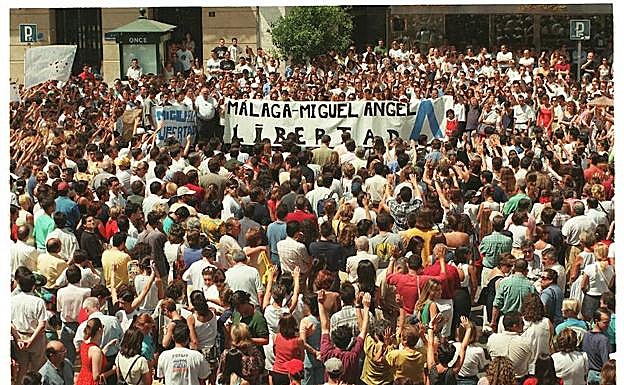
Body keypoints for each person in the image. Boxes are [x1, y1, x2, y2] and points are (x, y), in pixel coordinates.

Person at [76, 318, 117, 385]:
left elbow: (96, 358)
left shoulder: (84, 344)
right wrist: (112, 371)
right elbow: (96, 377)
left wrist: (108, 346)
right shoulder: (96, 351)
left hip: (82, 379)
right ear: (100, 330)